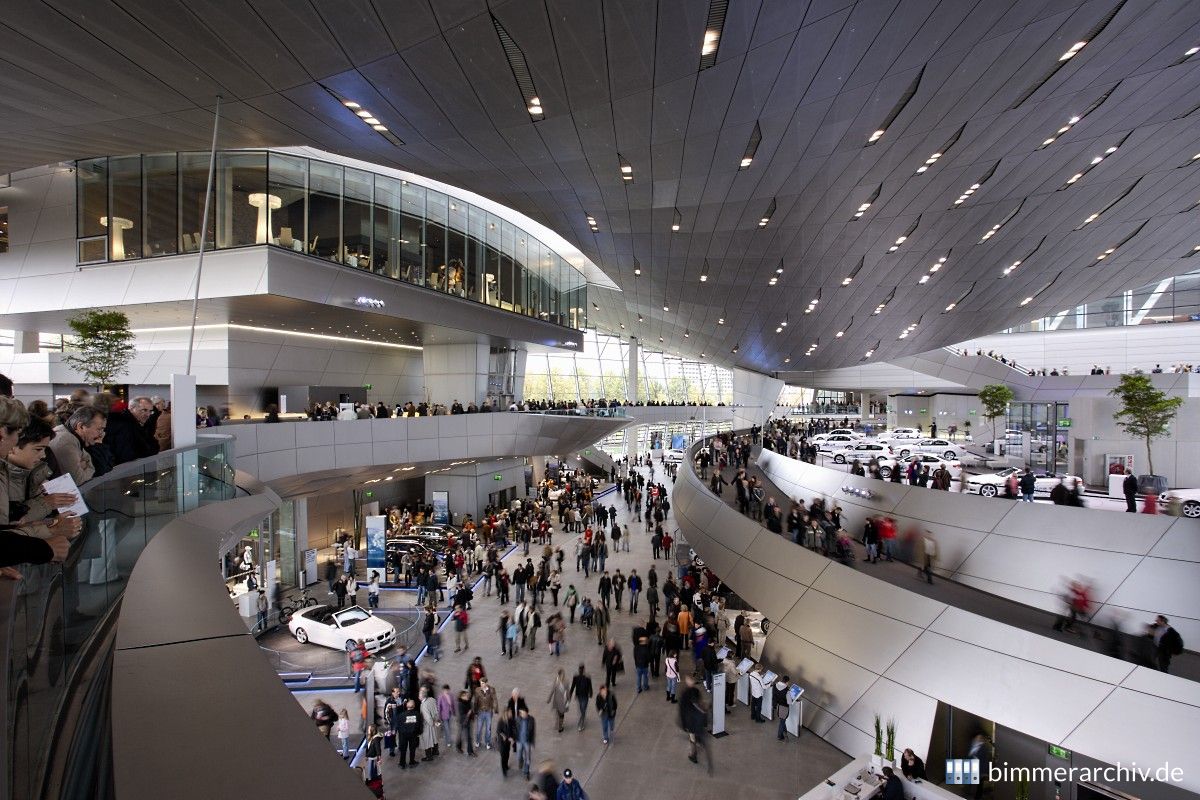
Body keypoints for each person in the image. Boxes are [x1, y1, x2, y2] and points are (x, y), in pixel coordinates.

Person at [679, 675, 712, 773]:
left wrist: (684, 724)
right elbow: (701, 706)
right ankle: (700, 752)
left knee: (692, 738)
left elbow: (682, 710)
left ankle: (694, 755)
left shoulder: (685, 694)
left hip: (691, 722)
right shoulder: (696, 692)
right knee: (699, 739)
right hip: (698, 721)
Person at [396, 698, 423, 769]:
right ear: (414, 706)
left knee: (403, 749)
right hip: (413, 735)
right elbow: (420, 725)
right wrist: (419, 733)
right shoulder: (417, 714)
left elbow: (398, 726)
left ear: (406, 706)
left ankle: (402, 763)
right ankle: (412, 762)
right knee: (412, 749)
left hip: (403, 735)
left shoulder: (401, 715)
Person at [568, 663, 593, 730]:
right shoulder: (576, 677)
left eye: (581, 669)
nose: (580, 670)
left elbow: (590, 686)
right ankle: (583, 718)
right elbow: (573, 686)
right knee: (582, 709)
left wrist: (591, 693)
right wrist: (570, 693)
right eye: (580, 669)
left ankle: (580, 724)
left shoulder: (587, 677)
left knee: (583, 709)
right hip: (579, 696)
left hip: (585, 696)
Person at [515, 707, 537, 780]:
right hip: (519, 741)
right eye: (520, 713)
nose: (521, 714)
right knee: (518, 756)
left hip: (527, 741)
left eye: (523, 713)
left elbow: (533, 731)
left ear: (527, 713)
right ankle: (520, 760)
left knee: (528, 758)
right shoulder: (517, 719)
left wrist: (533, 742)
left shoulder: (531, 720)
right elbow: (514, 729)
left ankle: (526, 772)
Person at [547, 668, 569, 733]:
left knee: (561, 713)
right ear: (559, 675)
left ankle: (559, 725)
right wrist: (549, 698)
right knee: (560, 713)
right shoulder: (557, 681)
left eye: (563, 675)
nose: (563, 676)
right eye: (562, 675)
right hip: (558, 700)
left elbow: (567, 691)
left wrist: (568, 699)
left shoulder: (566, 682)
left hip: (563, 700)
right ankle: (560, 726)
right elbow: (552, 690)